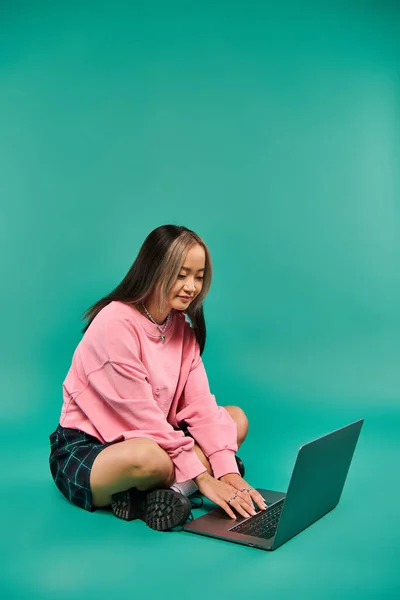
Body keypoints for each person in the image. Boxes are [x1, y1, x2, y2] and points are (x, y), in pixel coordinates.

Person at [49, 224, 267, 531]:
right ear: (154, 269)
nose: (192, 286)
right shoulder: (115, 322)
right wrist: (206, 475)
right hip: (94, 447)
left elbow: (201, 407)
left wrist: (229, 473)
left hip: (157, 435)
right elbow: (142, 421)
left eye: (199, 276)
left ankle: (161, 494)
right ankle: (183, 486)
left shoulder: (182, 327)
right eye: (181, 274)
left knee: (234, 420)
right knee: (148, 457)